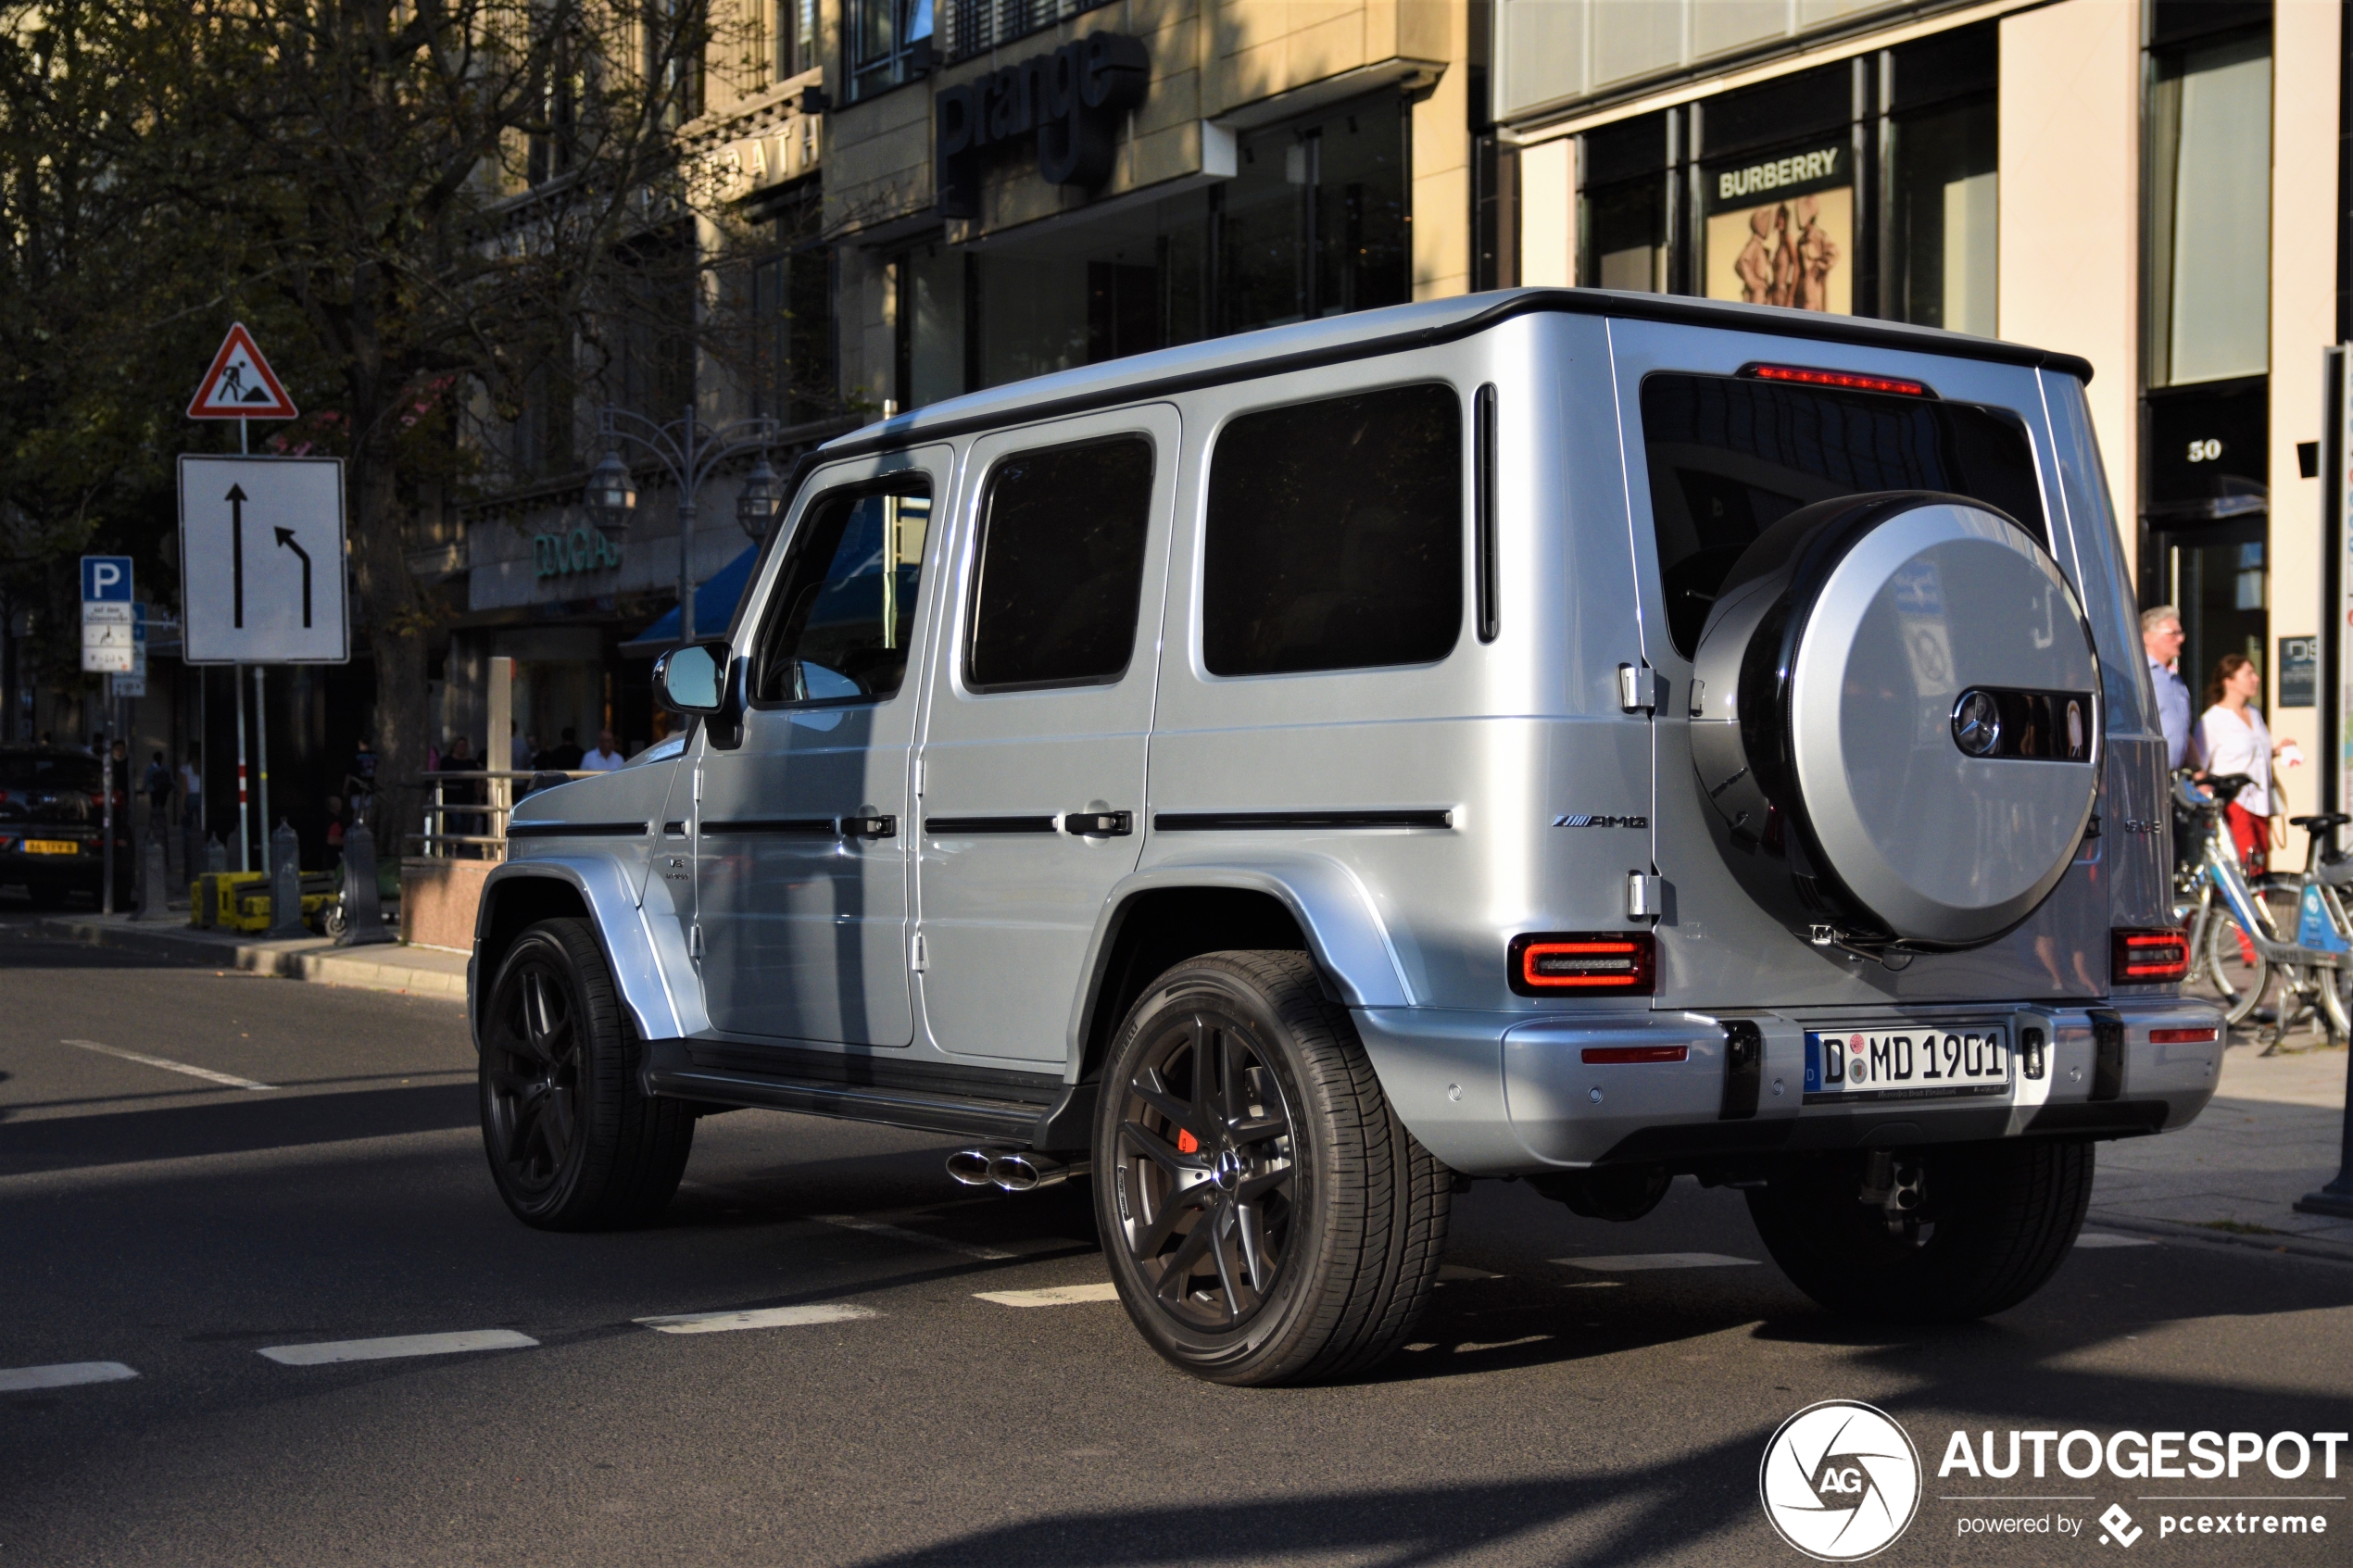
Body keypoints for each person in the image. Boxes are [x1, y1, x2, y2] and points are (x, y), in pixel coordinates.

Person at [2197, 653, 2285, 874]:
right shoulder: (2213, 720)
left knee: (2260, 863)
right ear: (2229, 681)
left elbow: (2250, 754)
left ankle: (2257, 906)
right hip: (2235, 803)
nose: (2255, 679)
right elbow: (2200, 765)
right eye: (2248, 674)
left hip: (2262, 802)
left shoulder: (2254, 713)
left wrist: (2276, 751)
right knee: (2245, 865)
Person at [2141, 605, 2194, 771]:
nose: (2181, 639)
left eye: (2181, 633)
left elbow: (2181, 730)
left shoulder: (2176, 681)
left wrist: (2198, 771)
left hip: (2172, 777)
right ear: (2148, 637)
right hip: (2146, 775)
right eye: (2173, 634)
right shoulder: (2141, 676)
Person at [143, 749, 172, 836]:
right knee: (162, 806)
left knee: (154, 806)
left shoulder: (150, 768)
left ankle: (154, 823)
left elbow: (146, 780)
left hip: (154, 790)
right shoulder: (166, 768)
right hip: (164, 790)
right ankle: (161, 822)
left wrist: (143, 789)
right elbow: (170, 779)